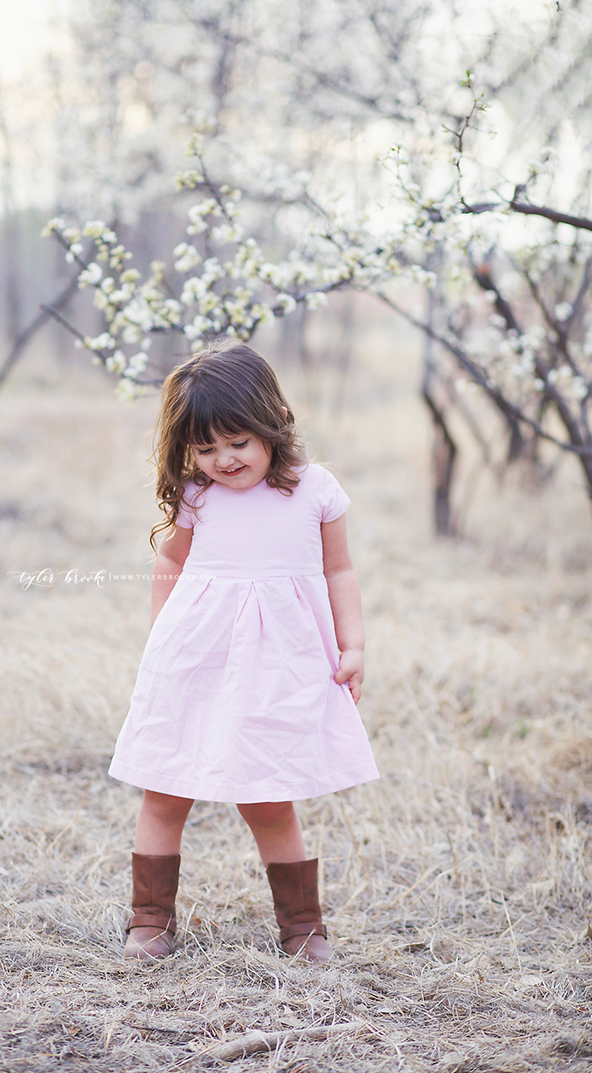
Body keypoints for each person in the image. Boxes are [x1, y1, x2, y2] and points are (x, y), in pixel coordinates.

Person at [109, 340, 379, 963]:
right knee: (165, 786)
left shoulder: (313, 490)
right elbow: (170, 560)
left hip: (276, 664)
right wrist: (162, 640)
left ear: (271, 424)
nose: (224, 460)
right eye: (205, 447)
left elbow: (339, 571)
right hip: (196, 655)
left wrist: (353, 644)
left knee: (267, 794)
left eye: (238, 442)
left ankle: (303, 928)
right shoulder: (195, 495)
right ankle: (149, 919)